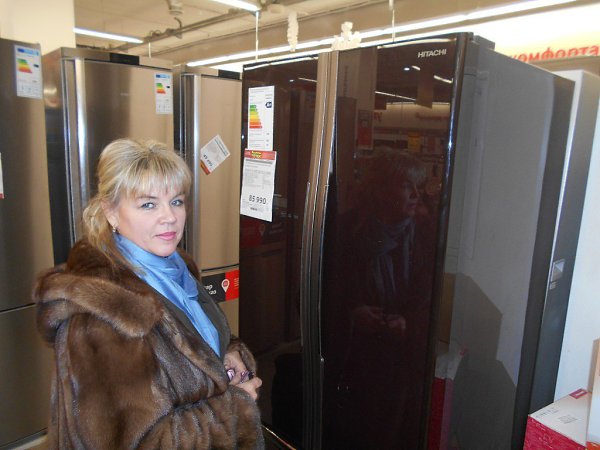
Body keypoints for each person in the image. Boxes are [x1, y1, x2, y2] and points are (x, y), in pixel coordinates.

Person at [34, 138, 264, 449]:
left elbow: (191, 344)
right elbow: (137, 443)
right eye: (148, 204)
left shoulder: (175, 270)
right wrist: (234, 409)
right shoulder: (102, 317)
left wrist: (227, 353)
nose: (170, 216)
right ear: (111, 212)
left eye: (176, 201)